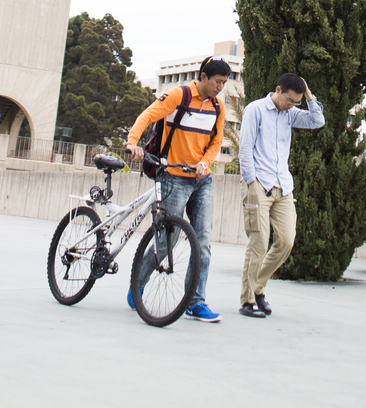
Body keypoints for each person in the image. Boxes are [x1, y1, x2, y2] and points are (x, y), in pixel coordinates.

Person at [126, 55, 229, 323]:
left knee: (203, 242)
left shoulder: (218, 107)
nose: (221, 87)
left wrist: (205, 164)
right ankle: (137, 286)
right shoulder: (178, 96)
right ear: (204, 77)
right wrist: (132, 142)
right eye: (218, 81)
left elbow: (216, 142)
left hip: (200, 180)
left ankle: (195, 302)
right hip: (172, 177)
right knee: (167, 241)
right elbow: (148, 115)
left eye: (225, 83)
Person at [236, 72, 324, 318]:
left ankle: (258, 287)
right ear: (278, 90)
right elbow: (245, 149)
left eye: (297, 102)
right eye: (290, 100)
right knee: (259, 243)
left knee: (286, 241)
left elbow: (317, 121)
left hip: (283, 187)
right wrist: (251, 183)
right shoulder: (255, 110)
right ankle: (247, 300)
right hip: (258, 185)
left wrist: (308, 95)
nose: (292, 105)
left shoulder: (291, 113)